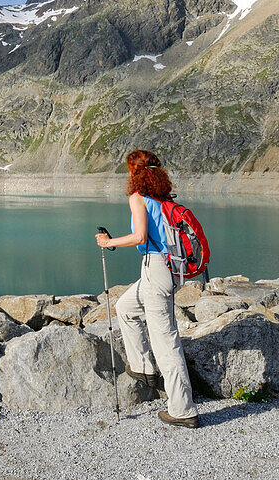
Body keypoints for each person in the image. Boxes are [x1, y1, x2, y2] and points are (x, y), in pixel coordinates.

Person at [94, 149, 199, 429]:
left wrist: (109, 242)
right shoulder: (161, 198)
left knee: (166, 341)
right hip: (167, 270)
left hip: (156, 269)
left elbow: (140, 236)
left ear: (135, 171)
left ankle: (183, 409)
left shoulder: (138, 197)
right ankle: (143, 368)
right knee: (125, 307)